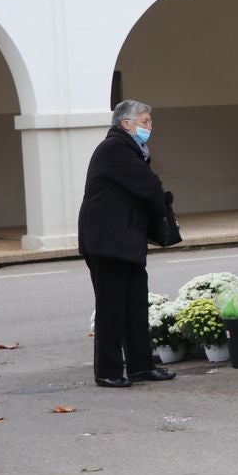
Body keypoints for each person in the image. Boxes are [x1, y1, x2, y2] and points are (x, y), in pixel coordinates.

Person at [78, 100, 176, 388]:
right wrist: (163, 216)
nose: (150, 127)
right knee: (112, 308)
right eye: (145, 121)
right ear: (126, 124)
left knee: (135, 306)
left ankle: (140, 366)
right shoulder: (115, 149)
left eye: (150, 121)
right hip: (108, 243)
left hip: (124, 241)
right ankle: (107, 371)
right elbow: (150, 187)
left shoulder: (131, 149)